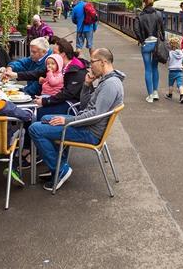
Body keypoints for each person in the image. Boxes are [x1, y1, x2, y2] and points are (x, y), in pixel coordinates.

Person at [28, 47, 125, 192]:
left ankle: (60, 169)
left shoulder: (110, 85)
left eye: (92, 62)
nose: (90, 66)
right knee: (47, 118)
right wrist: (87, 85)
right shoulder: (106, 81)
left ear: (103, 62)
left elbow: (93, 115)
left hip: (90, 132)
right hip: (87, 125)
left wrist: (68, 121)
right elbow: (86, 106)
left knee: (35, 129)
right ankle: (57, 164)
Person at [19, 37, 88, 119]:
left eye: (55, 52)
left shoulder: (77, 70)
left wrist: (46, 101)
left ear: (63, 54)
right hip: (58, 98)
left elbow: (68, 93)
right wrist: (16, 75)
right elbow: (39, 73)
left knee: (35, 112)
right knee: (30, 106)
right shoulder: (58, 65)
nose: (52, 55)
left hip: (72, 105)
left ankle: (32, 130)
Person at [134, 0, 164, 103]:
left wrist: (142, 41)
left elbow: (136, 30)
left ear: (144, 3)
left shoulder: (140, 16)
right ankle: (156, 92)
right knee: (155, 68)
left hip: (146, 44)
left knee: (148, 69)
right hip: (156, 44)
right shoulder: (158, 14)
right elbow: (162, 29)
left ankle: (150, 95)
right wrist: (162, 40)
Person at [166, 36, 183, 103]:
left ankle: (170, 95)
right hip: (179, 71)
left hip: (172, 71)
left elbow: (168, 60)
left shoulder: (170, 53)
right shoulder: (181, 53)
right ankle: (182, 96)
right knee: (180, 84)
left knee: (171, 84)